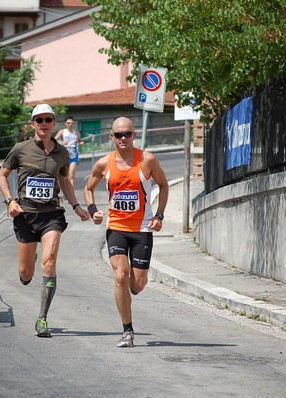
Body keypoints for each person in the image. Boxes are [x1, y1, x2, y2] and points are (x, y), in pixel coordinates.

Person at [0, 103, 90, 338]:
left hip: (51, 216)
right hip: (25, 216)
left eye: (48, 119)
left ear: (53, 123)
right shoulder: (20, 149)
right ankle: (29, 263)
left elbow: (65, 181)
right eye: (39, 120)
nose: (44, 124)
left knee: (49, 262)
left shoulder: (62, 152)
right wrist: (10, 201)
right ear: (32, 124)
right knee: (26, 274)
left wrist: (77, 206)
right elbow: (2, 175)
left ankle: (42, 319)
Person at [83, 116, 169, 348]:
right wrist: (93, 212)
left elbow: (163, 185)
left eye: (127, 134)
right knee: (120, 275)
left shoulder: (147, 160)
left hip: (142, 229)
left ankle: (133, 285)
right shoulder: (103, 164)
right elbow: (88, 188)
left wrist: (159, 215)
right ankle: (127, 331)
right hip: (117, 228)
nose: (123, 138)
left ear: (134, 135)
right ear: (111, 137)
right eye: (118, 134)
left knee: (137, 284)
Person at [54, 116, 84, 189]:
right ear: (65, 124)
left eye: (72, 123)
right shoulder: (62, 132)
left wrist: (81, 143)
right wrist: (62, 142)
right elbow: (54, 140)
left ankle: (71, 192)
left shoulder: (76, 133)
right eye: (68, 123)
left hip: (74, 154)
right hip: (64, 154)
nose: (70, 124)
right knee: (64, 176)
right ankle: (65, 191)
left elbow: (80, 141)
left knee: (71, 175)